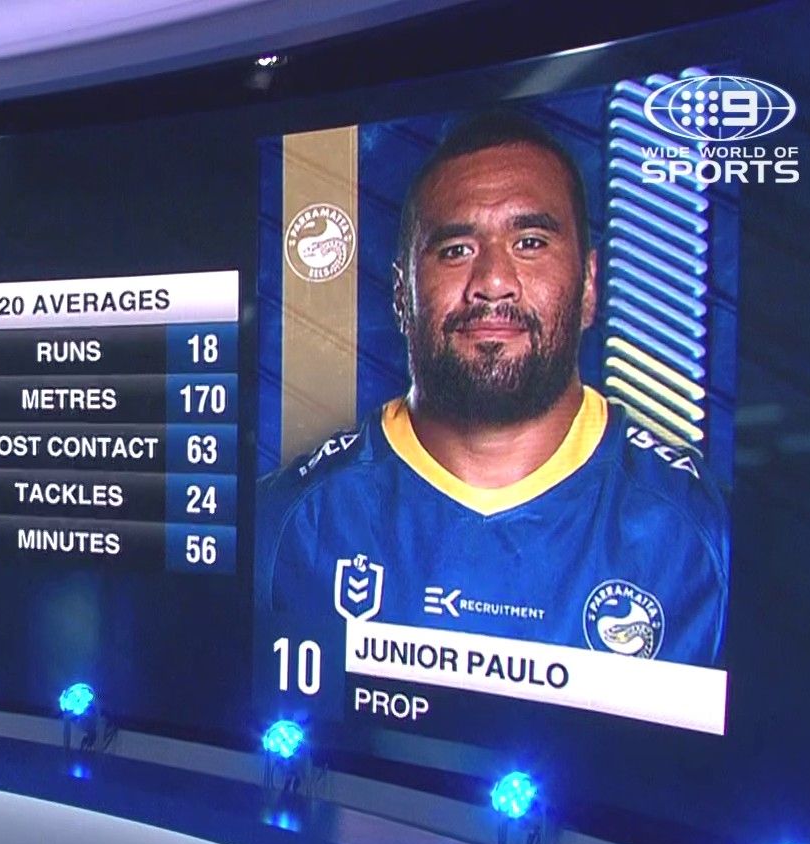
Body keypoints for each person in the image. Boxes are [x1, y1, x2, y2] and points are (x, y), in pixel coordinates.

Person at [256, 110, 729, 666]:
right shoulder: (286, 525)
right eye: (456, 250)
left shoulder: (703, 535)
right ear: (402, 294)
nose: (493, 282)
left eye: (530, 242)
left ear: (589, 284)